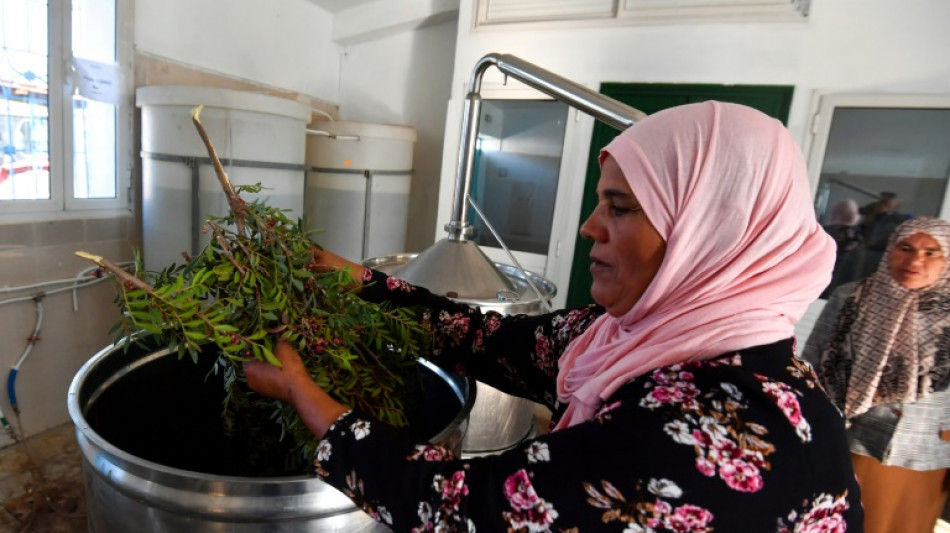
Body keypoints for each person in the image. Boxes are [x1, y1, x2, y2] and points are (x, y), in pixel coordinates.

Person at [245, 101, 863, 531]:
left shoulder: (713, 436)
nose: (589, 227)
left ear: (711, 234)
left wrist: (305, 395)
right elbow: (484, 338)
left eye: (619, 209)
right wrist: (363, 283)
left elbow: (470, 508)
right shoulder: (628, 338)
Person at [803, 216, 950, 533]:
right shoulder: (851, 298)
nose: (914, 260)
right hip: (847, 442)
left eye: (931, 252)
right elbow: (812, 365)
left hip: (925, 453)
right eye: (905, 248)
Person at [858, 192, 913, 278]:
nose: (883, 206)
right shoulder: (873, 214)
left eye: (886, 203)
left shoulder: (900, 219)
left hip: (887, 256)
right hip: (867, 254)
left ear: (896, 204)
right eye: (882, 202)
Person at [821, 198, 865, 298]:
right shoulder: (860, 239)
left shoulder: (822, 233)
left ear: (834, 213)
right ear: (856, 216)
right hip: (840, 292)